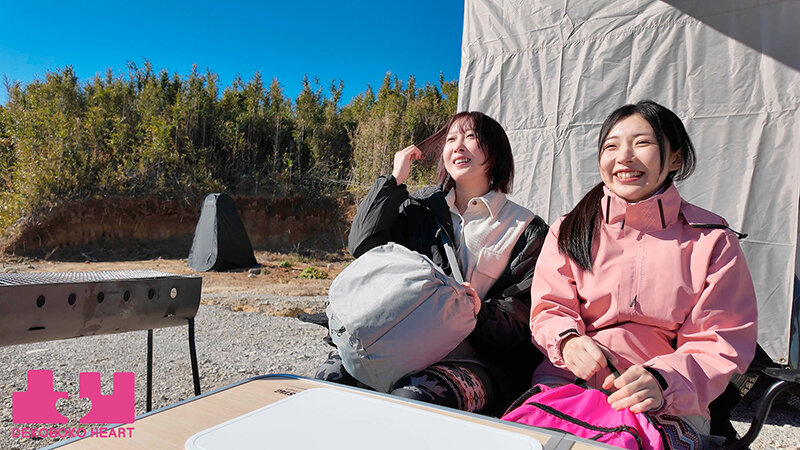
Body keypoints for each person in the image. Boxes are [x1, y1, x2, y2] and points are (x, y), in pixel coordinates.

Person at [528, 100, 758, 447]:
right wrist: (567, 340)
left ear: (675, 159)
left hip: (668, 398)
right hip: (568, 382)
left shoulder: (711, 240)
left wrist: (664, 379)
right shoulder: (570, 229)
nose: (624, 157)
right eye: (612, 145)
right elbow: (550, 307)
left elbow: (719, 340)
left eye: (642, 143)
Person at [316, 111, 548, 414]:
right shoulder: (421, 208)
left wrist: (477, 311)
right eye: (451, 139)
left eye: (470, 137)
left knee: (412, 401)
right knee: (326, 386)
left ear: (496, 151)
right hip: (396, 342)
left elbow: (524, 317)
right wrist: (394, 179)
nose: (458, 146)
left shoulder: (525, 227)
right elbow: (363, 242)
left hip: (471, 359)